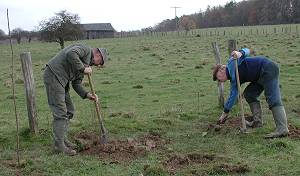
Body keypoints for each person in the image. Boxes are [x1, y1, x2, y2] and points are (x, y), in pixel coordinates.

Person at [43, 44, 108, 155]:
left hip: (62, 81)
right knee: (61, 113)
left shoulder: (86, 63)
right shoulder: (86, 49)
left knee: (70, 110)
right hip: (54, 76)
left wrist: (88, 95)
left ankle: (62, 140)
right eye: (100, 62)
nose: (98, 65)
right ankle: (58, 146)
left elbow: (76, 83)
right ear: (98, 55)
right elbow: (70, 53)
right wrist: (83, 69)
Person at [212, 48, 289, 138]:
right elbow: (232, 97)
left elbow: (247, 51)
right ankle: (257, 122)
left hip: (267, 69)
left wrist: (240, 53)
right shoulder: (233, 81)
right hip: (258, 78)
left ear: (221, 69)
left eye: (218, 78)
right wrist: (224, 114)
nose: (220, 81)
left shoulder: (233, 62)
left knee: (272, 98)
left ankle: (282, 129)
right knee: (249, 94)